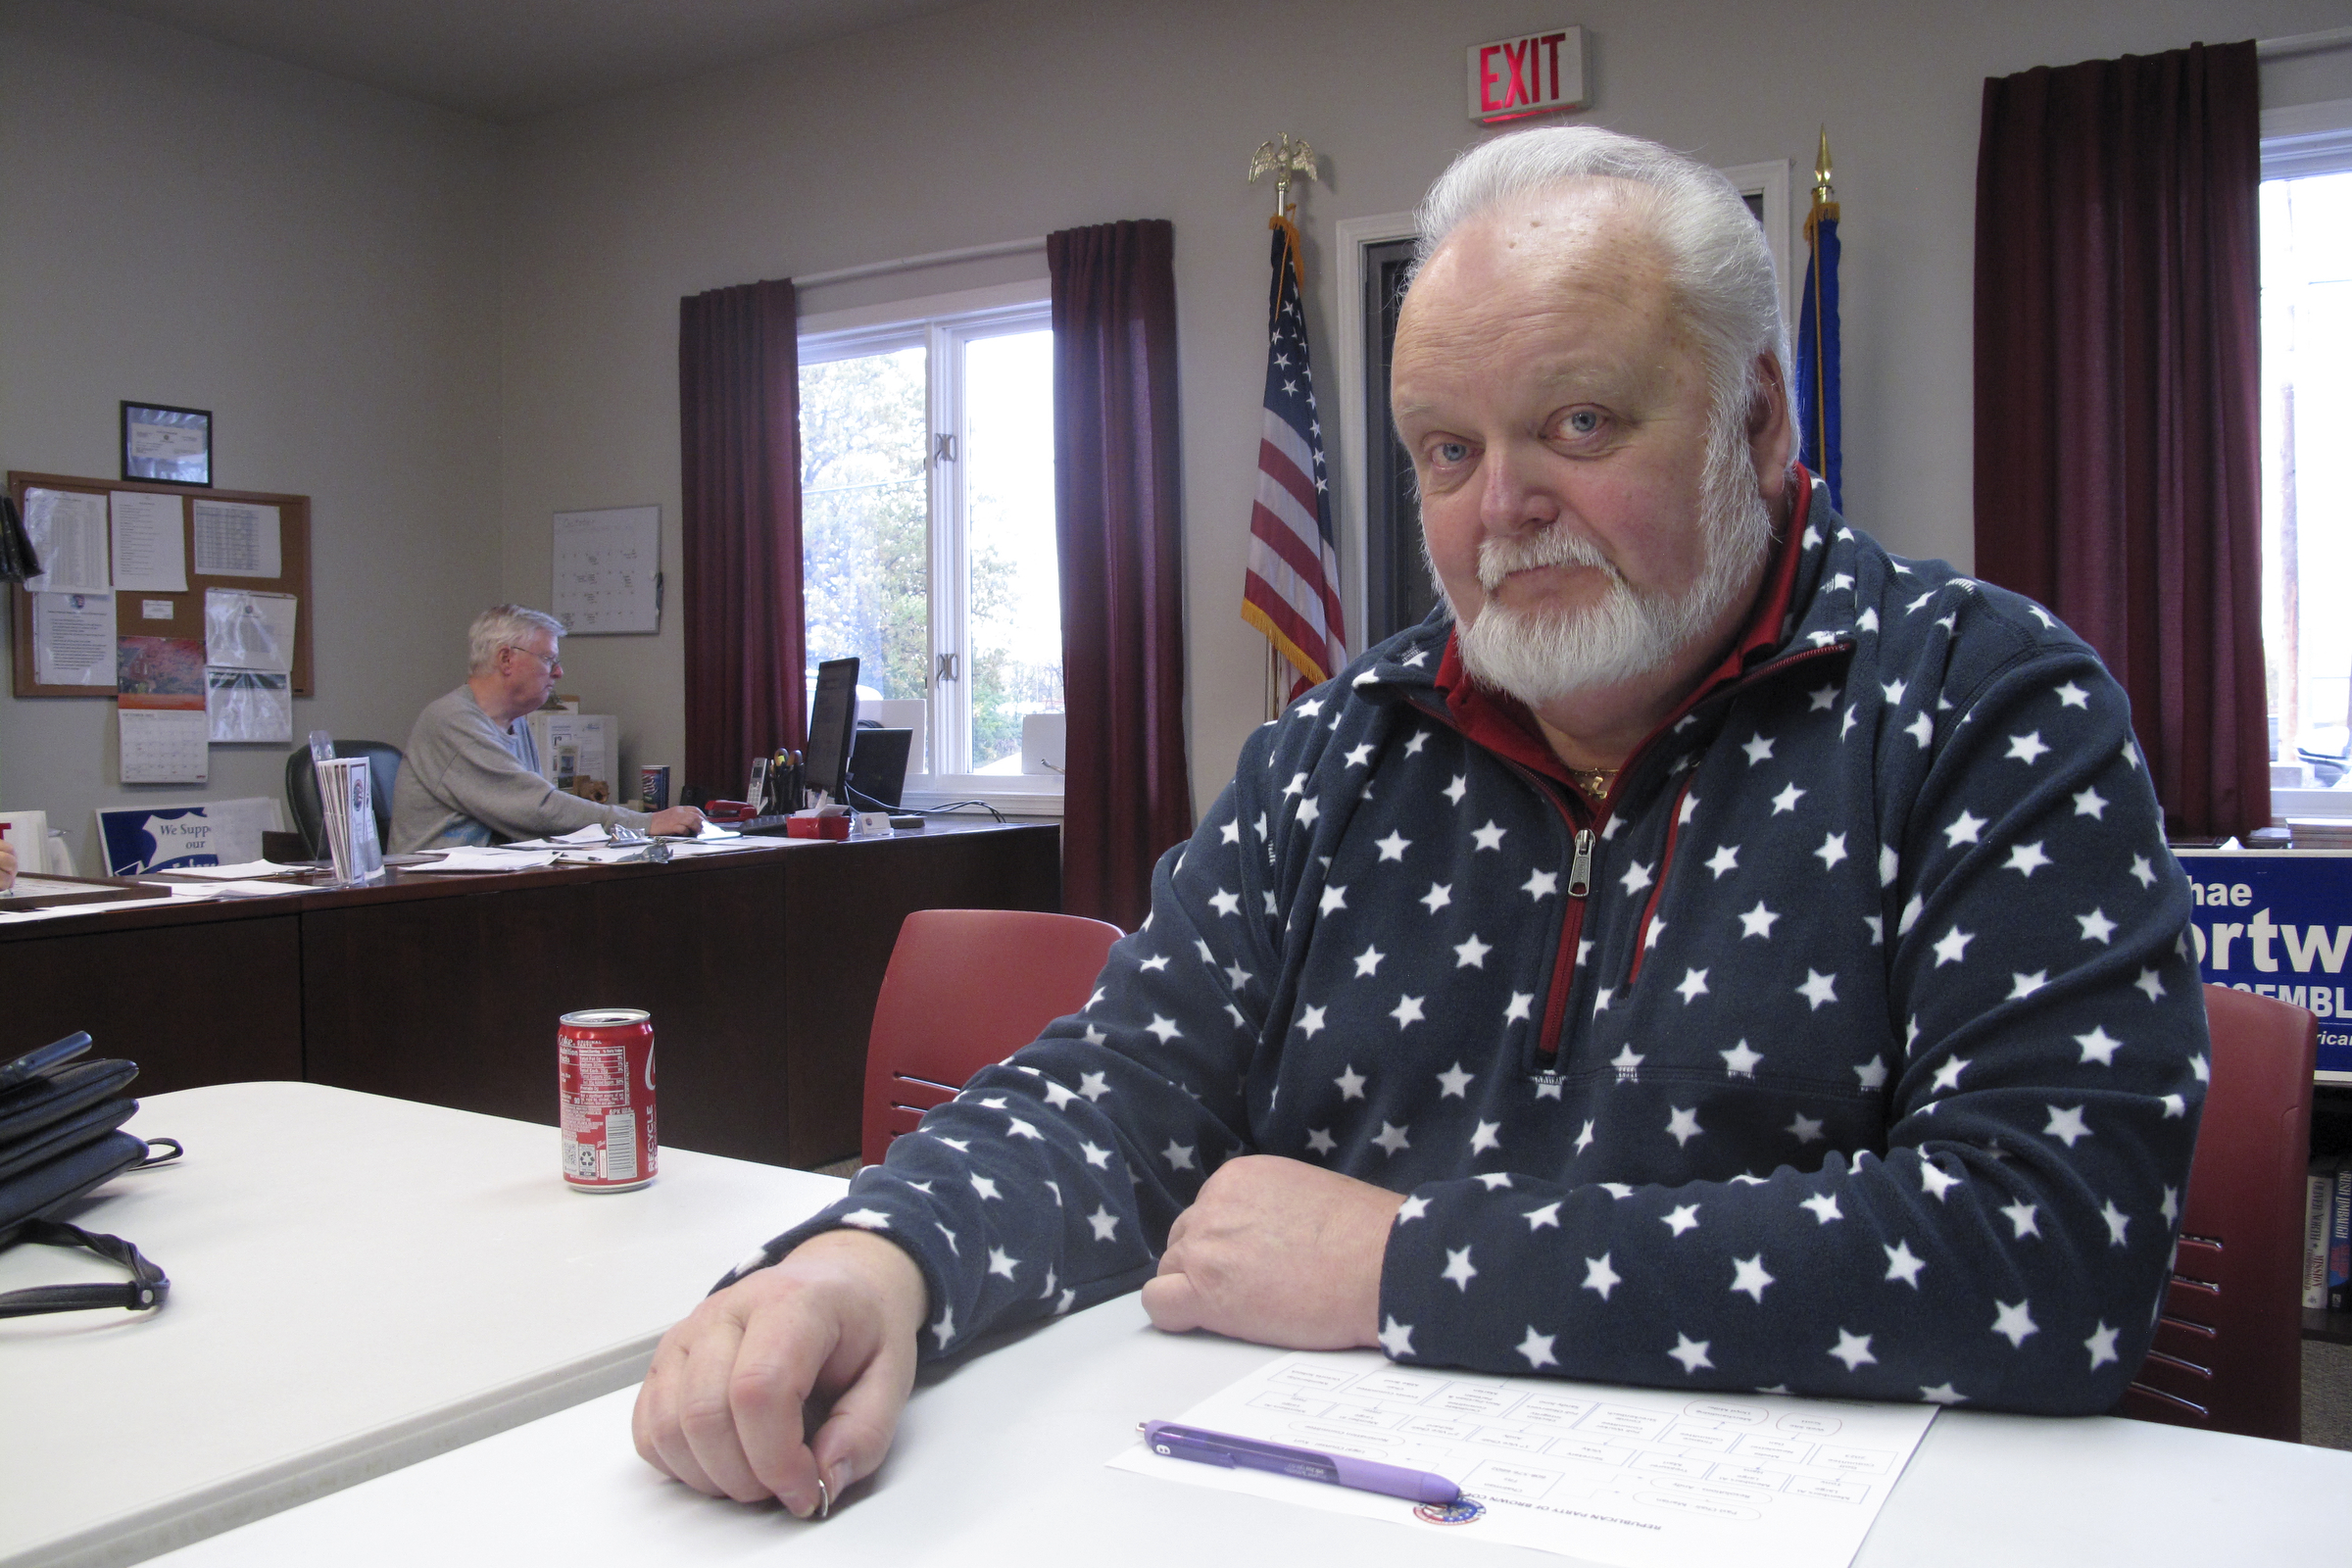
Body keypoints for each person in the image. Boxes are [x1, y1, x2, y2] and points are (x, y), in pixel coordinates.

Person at [633, 126, 2206, 1516]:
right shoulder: (1338, 745)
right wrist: (874, 1260)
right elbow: (1124, 1097)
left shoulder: (1986, 705)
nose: (1499, 507)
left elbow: (2050, 1249)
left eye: (1580, 425)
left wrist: (1404, 1267)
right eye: (1447, 451)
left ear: (1758, 426)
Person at [390, 605, 703, 850]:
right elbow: (537, 809)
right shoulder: (452, 721)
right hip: (436, 898)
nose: (559, 672)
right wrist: (645, 823)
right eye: (549, 660)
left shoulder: (517, 722)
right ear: (506, 659)